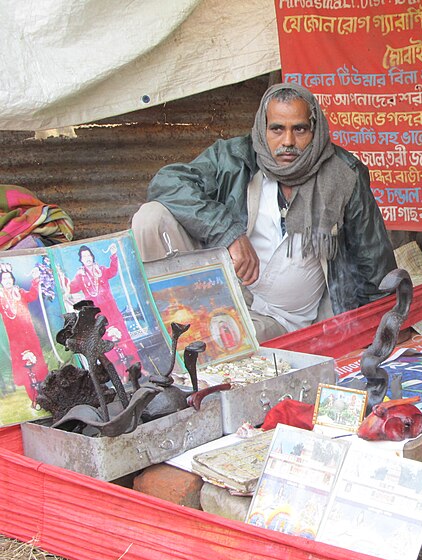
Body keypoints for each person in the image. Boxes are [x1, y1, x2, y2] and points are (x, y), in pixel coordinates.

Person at [132, 83, 397, 342]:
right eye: (277, 129)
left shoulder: (344, 175)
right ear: (262, 128)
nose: (288, 141)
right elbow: (167, 182)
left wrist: (387, 329)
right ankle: (174, 319)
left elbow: (373, 261)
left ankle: (192, 336)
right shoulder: (234, 159)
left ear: (315, 130)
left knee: (217, 344)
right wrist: (228, 233)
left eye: (300, 129)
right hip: (222, 295)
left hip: (282, 320)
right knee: (151, 217)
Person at [62, 244, 141, 374]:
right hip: (97, 314)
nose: (87, 258)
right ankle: (121, 373)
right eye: (84, 256)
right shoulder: (80, 276)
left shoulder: (101, 270)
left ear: (92, 257)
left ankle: (137, 367)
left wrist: (114, 255)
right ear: (81, 260)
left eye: (88, 255)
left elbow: (113, 271)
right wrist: (62, 277)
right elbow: (71, 288)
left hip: (112, 310)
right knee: (106, 340)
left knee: (123, 336)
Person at [0, 264, 49, 405]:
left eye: (9, 278)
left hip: (30, 336)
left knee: (38, 363)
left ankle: (47, 393)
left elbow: (33, 295)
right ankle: (34, 399)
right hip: (16, 340)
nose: (8, 281)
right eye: (4, 278)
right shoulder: (1, 298)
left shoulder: (20, 293)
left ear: (13, 279)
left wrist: (35, 279)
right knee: (25, 367)